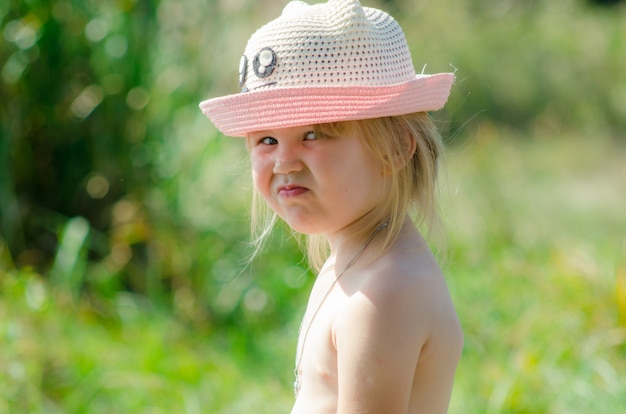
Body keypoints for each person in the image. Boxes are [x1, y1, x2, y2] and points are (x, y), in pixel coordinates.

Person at [199, 0, 463, 412]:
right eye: (266, 140)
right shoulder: (355, 263)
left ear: (395, 148)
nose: (284, 162)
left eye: (314, 134)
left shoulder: (384, 296)